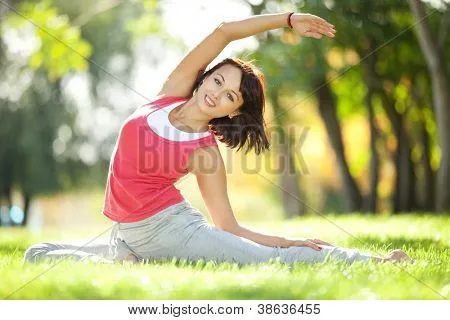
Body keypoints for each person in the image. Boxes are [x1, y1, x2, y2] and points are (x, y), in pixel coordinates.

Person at [24, 12, 411, 265]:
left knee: (264, 259)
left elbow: (228, 226)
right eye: (218, 80)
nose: (217, 91)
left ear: (231, 111)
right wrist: (288, 19)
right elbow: (224, 32)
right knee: (36, 255)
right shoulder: (169, 94)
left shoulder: (204, 151)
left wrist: (287, 241)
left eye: (230, 95)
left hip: (171, 229)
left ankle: (374, 262)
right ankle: (130, 260)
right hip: (126, 231)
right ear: (206, 76)